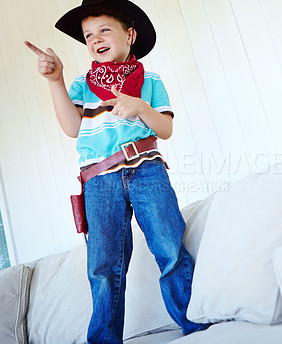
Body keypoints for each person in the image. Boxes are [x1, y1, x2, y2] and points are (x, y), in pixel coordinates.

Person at [25, 0, 207, 343]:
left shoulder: (149, 79)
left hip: (147, 170)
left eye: (105, 29)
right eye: (88, 35)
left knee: (169, 246)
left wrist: (140, 106)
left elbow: (165, 129)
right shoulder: (81, 84)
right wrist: (55, 80)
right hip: (99, 181)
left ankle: (195, 325)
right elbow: (71, 127)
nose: (96, 39)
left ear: (130, 34)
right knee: (103, 266)